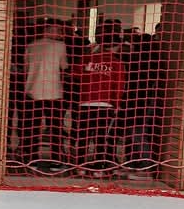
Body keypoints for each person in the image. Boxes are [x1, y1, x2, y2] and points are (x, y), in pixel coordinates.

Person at [73, 20, 126, 176]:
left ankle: (80, 166)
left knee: (83, 136)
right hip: (105, 105)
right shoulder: (117, 63)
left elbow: (76, 74)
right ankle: (100, 167)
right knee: (101, 138)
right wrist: (116, 104)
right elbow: (119, 86)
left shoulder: (88, 58)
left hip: (85, 103)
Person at [23, 20, 69, 172]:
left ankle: (31, 159)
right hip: (53, 92)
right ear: (49, 30)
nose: (61, 34)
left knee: (32, 128)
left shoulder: (31, 45)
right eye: (58, 30)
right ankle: (56, 160)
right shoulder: (60, 46)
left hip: (32, 91)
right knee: (55, 128)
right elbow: (64, 67)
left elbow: (26, 68)